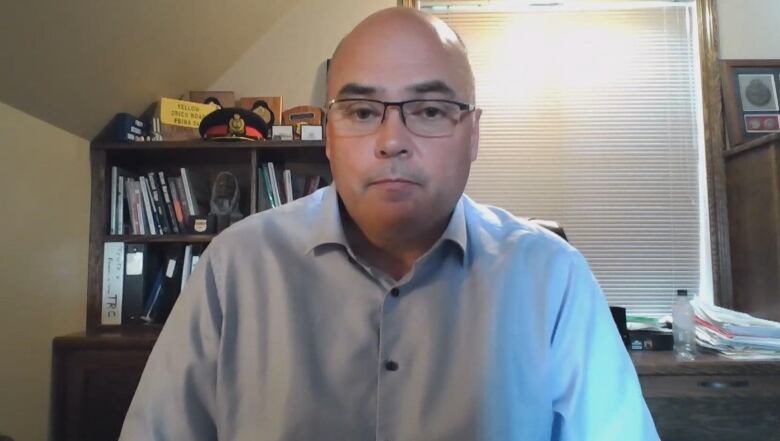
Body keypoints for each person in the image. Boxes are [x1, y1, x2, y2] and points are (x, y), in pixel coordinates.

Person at [120, 7, 659, 441]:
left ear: (474, 135)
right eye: (360, 111)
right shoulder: (234, 267)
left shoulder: (551, 277)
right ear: (328, 135)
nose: (391, 140)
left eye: (428, 110)